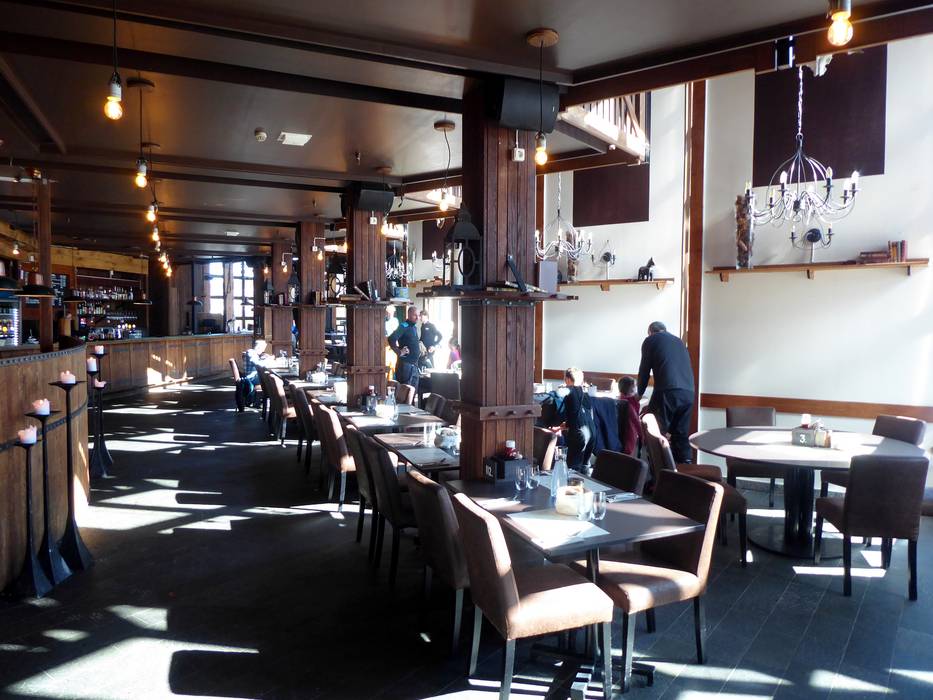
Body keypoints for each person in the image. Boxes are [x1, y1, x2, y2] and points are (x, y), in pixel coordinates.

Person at [637, 321, 695, 463]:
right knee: (680, 434)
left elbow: (644, 370)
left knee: (655, 432)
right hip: (688, 392)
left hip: (667, 391)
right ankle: (684, 467)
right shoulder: (678, 341)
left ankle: (656, 471)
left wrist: (639, 394)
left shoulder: (650, 340)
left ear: (650, 332)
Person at [562, 367, 596, 471]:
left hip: (578, 433)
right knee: (585, 464)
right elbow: (583, 414)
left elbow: (561, 411)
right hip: (591, 433)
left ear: (568, 379)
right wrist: (566, 424)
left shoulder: (569, 391)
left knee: (573, 467)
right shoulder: (586, 395)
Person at [388, 305, 421, 390]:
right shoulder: (403, 326)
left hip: (414, 365)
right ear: (409, 315)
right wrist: (398, 351)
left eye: (418, 315)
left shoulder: (414, 327)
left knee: (413, 392)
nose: (417, 318)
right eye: (415, 315)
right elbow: (391, 338)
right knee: (404, 392)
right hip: (405, 365)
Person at [618, 376, 644, 456]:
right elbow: (636, 422)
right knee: (628, 453)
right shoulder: (628, 404)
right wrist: (642, 436)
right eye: (635, 386)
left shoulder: (619, 399)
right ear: (631, 389)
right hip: (629, 433)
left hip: (619, 433)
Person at [242, 339, 269, 407]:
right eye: (263, 349)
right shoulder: (251, 352)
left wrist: (264, 358)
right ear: (259, 347)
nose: (263, 351)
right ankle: (268, 400)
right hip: (251, 377)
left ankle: (262, 400)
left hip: (252, 376)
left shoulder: (252, 353)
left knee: (269, 379)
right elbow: (258, 364)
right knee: (270, 380)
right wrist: (268, 360)